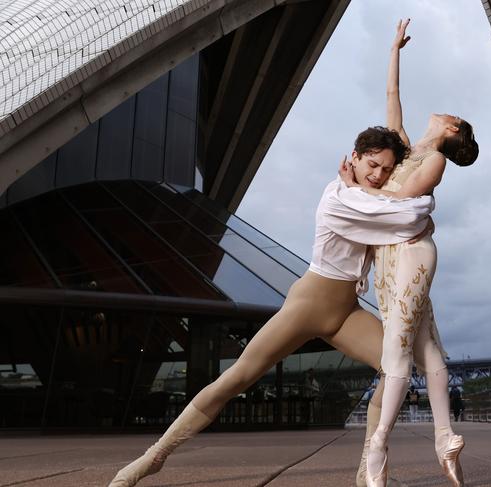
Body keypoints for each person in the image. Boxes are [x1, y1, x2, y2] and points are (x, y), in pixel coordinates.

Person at [108, 126, 438, 487]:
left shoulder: (365, 194)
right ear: (353, 159)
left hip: (345, 312)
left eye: (386, 170)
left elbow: (393, 210)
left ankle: (366, 470)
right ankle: (153, 457)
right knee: (237, 378)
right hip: (309, 304)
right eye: (372, 165)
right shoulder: (338, 197)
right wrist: (422, 203)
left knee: (396, 369)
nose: (378, 176)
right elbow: (406, 217)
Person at [339, 19, 479, 487]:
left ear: (451, 128)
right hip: (389, 257)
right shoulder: (404, 147)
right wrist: (394, 49)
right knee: (427, 347)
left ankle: (377, 447)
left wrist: (353, 189)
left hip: (412, 254)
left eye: (448, 115)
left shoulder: (433, 159)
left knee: (397, 355)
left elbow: (400, 206)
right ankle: (446, 440)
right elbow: (391, 96)